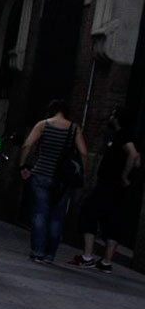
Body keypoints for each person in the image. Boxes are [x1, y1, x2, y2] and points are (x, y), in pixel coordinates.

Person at [70, 107, 141, 273]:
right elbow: (137, 159)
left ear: (117, 118)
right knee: (113, 221)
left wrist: (124, 175)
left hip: (109, 184)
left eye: (113, 115)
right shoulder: (127, 136)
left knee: (88, 212)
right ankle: (106, 262)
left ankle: (87, 257)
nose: (110, 117)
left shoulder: (123, 135)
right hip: (116, 187)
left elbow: (133, 155)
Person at [18, 99, 89, 263]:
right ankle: (50, 255)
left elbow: (27, 145)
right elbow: (84, 153)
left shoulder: (43, 124)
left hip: (41, 174)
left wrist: (22, 166)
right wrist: (83, 173)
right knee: (57, 217)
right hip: (63, 180)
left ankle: (37, 251)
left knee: (40, 213)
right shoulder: (74, 128)